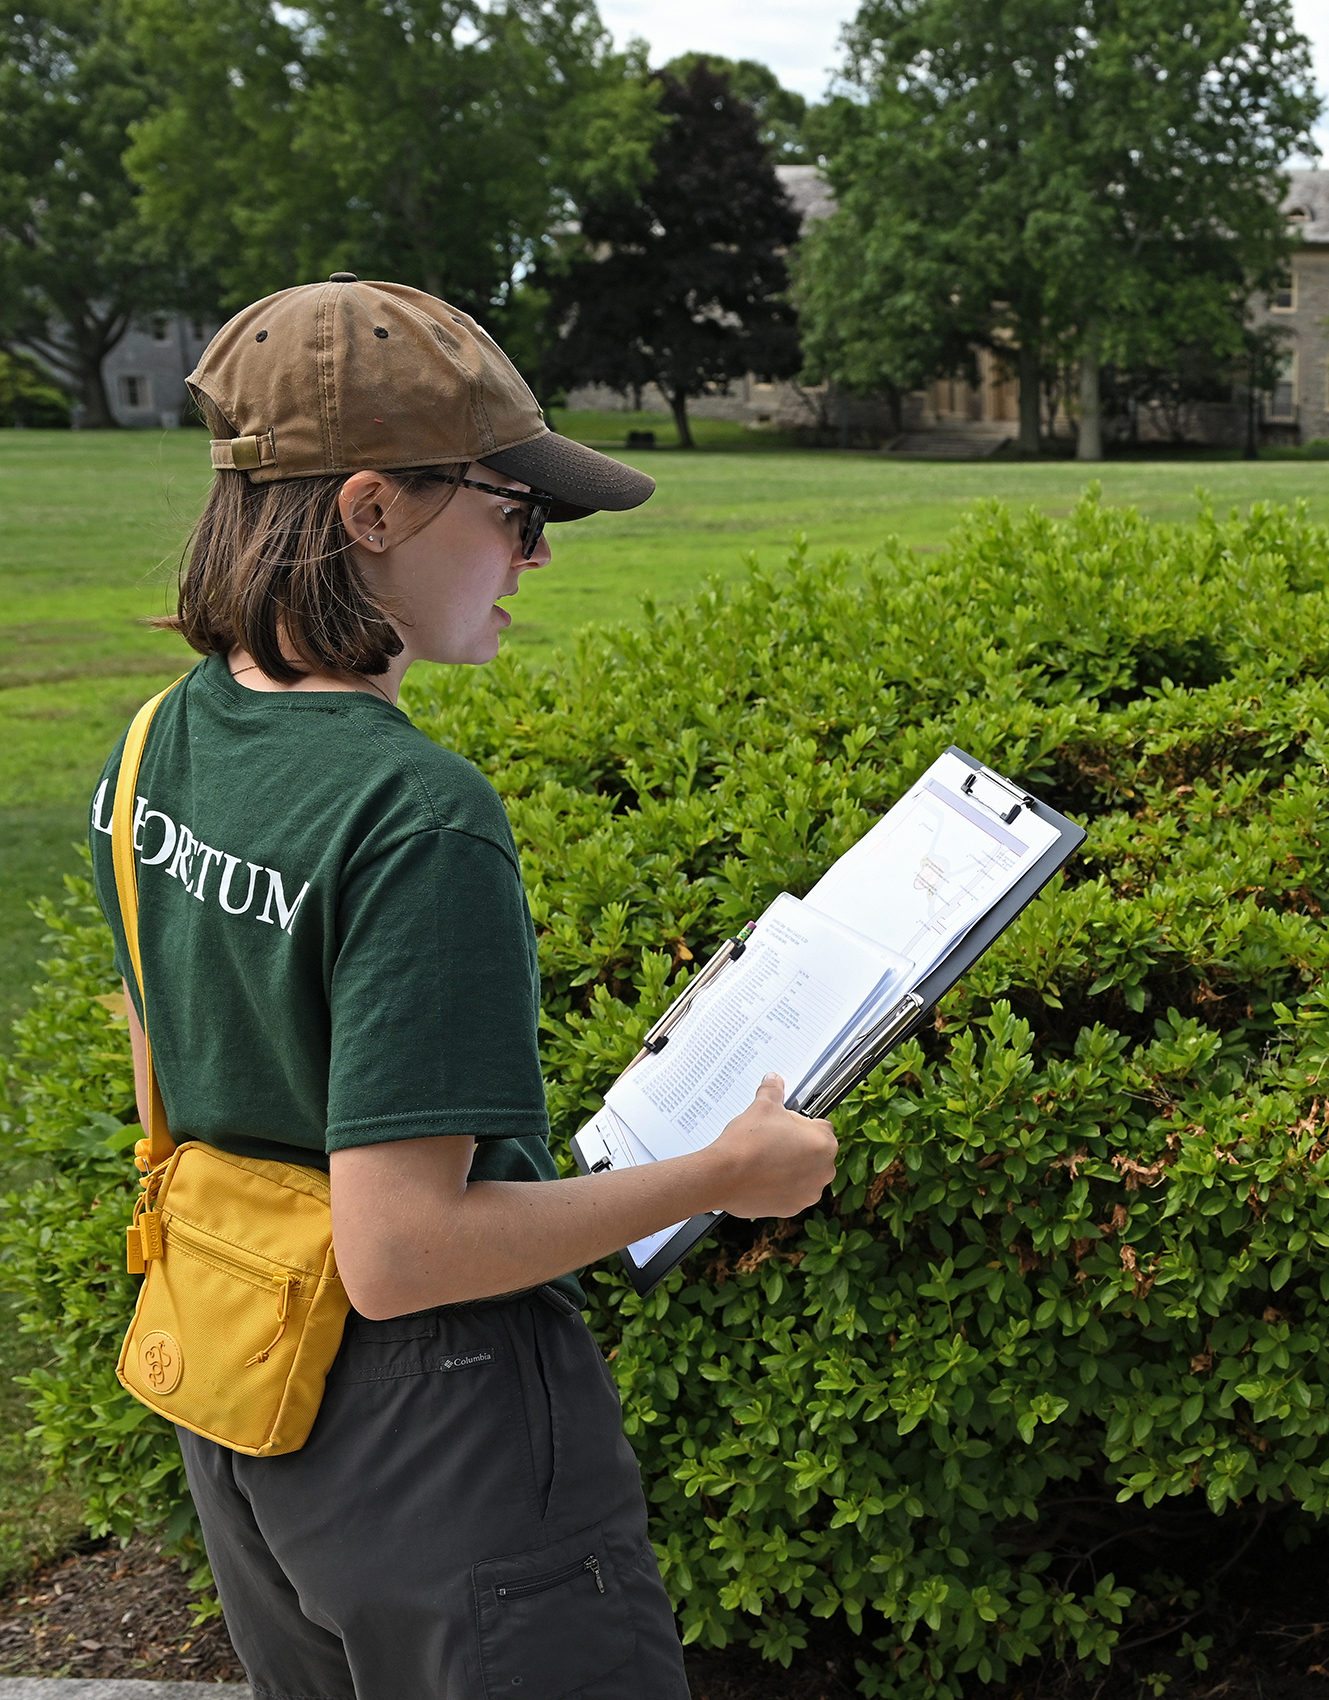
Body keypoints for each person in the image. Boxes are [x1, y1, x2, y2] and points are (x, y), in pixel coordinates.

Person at [91, 273, 839, 1699]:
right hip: (445, 1459)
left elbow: (168, 1036)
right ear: (370, 513)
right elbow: (405, 1252)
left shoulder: (159, 740)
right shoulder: (415, 813)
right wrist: (720, 1173)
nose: (537, 559)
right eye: (518, 513)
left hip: (249, 1410)